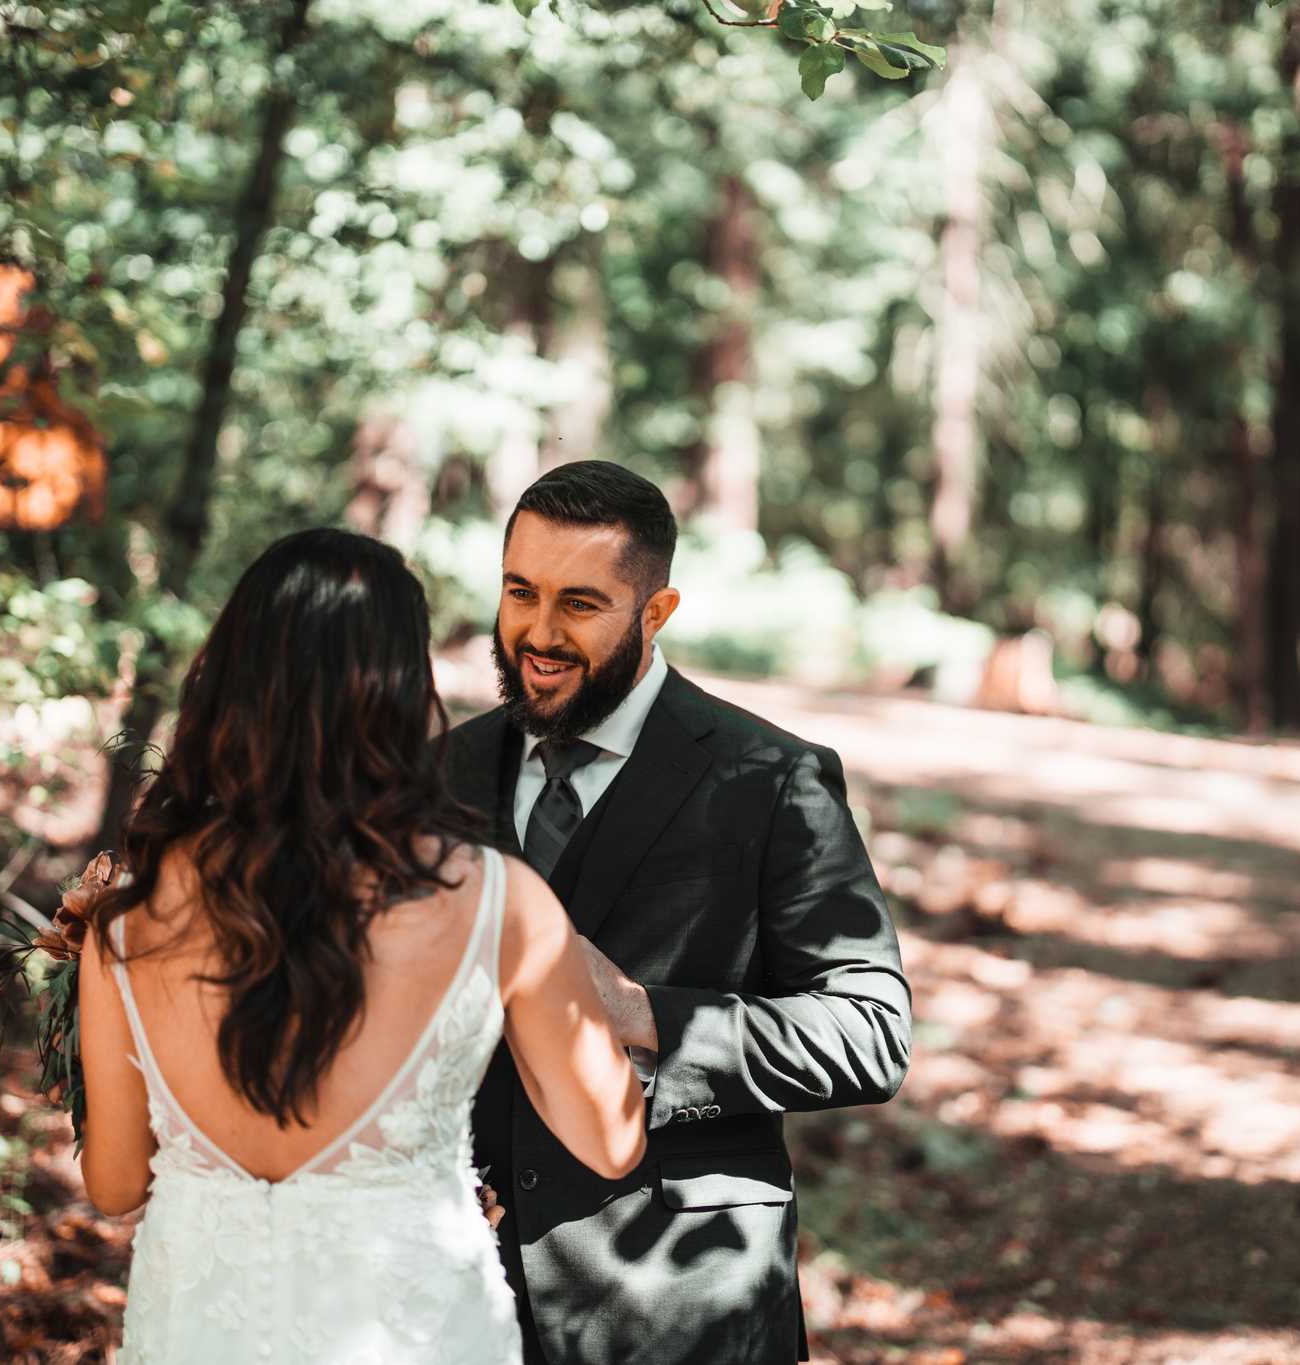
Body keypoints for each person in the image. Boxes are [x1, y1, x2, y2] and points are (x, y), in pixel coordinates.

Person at [72, 528, 646, 1364]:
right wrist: (607, 997)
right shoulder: (499, 905)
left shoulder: (125, 925)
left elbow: (116, 1182)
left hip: (197, 1331)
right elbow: (612, 1141)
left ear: (229, 684)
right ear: (402, 691)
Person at [451, 461, 912, 1365]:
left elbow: (870, 1033)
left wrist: (641, 1012)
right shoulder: (438, 773)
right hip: (456, 1297)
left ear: (655, 613)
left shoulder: (771, 780)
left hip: (678, 1307)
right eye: (519, 591)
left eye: (580, 604)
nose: (537, 633)